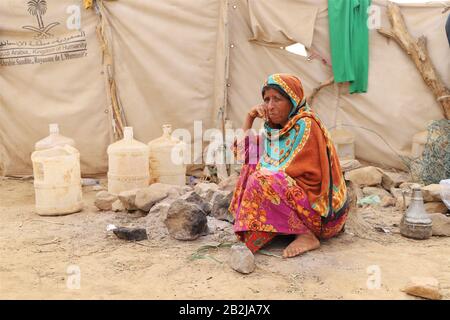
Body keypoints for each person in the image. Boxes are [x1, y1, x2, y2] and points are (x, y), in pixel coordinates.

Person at [228, 73, 349, 258]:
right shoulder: (277, 130)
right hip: (298, 204)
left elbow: (283, 172)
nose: (270, 106)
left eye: (277, 99)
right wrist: (249, 117)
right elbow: (243, 154)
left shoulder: (306, 124)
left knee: (261, 177)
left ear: (293, 100)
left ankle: (306, 235)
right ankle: (279, 229)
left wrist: (261, 173)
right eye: (266, 99)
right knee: (253, 165)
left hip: (321, 215)